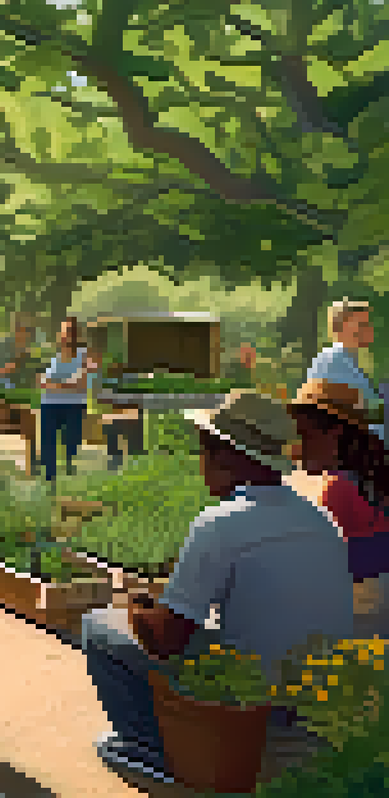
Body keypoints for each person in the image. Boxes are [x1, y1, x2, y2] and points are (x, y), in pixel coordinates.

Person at [80, 389, 353, 782]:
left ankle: (156, 753)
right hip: (319, 699)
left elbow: (167, 640)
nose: (201, 462)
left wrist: (134, 608)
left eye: (204, 451)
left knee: (98, 627)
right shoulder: (321, 522)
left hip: (252, 703)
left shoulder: (220, 524)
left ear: (226, 456)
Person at [282, 380, 389, 584]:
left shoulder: (336, 489)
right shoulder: (370, 481)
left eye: (304, 436)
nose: (295, 449)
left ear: (335, 432)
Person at [307, 298, 382, 441]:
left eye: (368, 324)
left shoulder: (349, 362)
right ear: (340, 328)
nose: (369, 329)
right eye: (361, 325)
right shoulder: (333, 359)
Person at [38, 317, 97, 481]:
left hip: (74, 405)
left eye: (71, 332)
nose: (67, 336)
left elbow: (81, 384)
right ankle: (50, 480)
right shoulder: (54, 356)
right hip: (49, 404)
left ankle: (70, 479)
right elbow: (41, 382)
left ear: (77, 334)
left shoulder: (85, 356)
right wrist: (64, 384)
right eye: (65, 332)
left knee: (71, 443)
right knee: (48, 444)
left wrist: (54, 385)